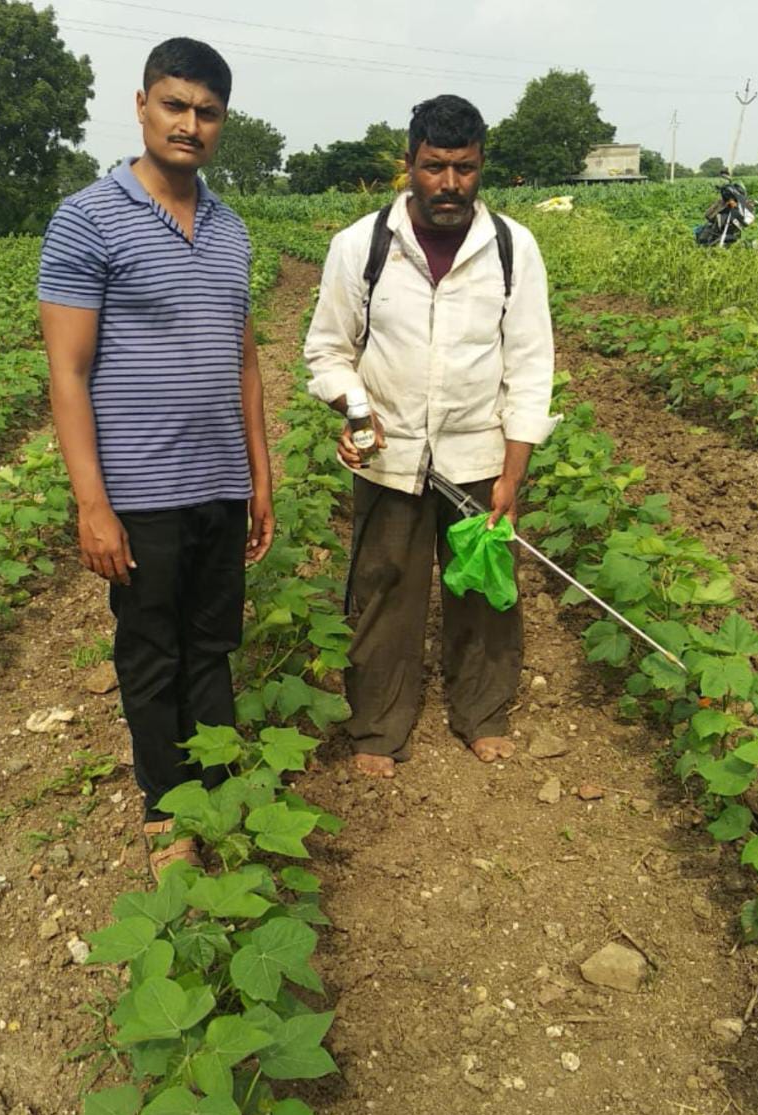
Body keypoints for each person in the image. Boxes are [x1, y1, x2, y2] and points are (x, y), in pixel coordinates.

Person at [37, 37, 274, 875]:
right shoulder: (88, 218)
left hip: (217, 481)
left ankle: (212, 785)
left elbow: (242, 357)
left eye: (207, 112)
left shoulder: (233, 229)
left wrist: (260, 473)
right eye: (174, 105)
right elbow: (66, 371)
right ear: (141, 106)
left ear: (222, 123)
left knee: (212, 647)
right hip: (139, 489)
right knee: (151, 652)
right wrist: (91, 503)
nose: (190, 124)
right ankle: (165, 809)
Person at [304, 94, 557, 780]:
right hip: (391, 460)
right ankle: (378, 727)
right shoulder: (361, 247)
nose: (449, 184)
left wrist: (513, 471)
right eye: (434, 166)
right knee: (384, 589)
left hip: (479, 453)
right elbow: (326, 352)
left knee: (481, 592)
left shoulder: (510, 248)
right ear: (409, 164)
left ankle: (482, 713)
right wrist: (357, 410)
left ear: (482, 167)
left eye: (465, 168)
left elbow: (532, 365)